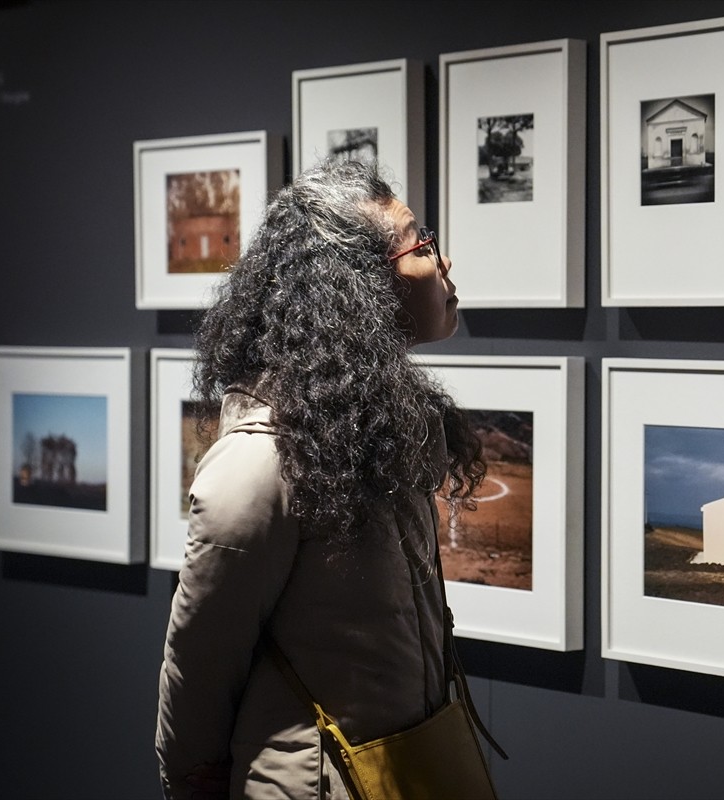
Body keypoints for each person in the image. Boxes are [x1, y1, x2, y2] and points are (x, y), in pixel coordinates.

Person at [155, 159, 485, 799]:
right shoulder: (261, 460)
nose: (442, 262)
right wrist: (189, 786)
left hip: (399, 771)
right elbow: (199, 664)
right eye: (422, 245)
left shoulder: (369, 425)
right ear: (358, 285)